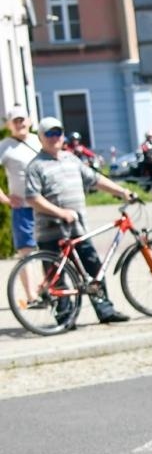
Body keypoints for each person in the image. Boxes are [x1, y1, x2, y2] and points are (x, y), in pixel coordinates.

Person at [24, 115, 139, 325]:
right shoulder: (36, 166)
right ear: (40, 137)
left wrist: (122, 192)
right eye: (49, 133)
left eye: (58, 132)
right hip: (50, 231)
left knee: (94, 268)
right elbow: (33, 198)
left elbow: (95, 179)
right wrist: (61, 213)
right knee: (57, 276)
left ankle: (105, 310)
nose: (54, 137)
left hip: (77, 229)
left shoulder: (71, 159)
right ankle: (65, 318)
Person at [1, 106, 43, 302]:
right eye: (15, 121)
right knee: (26, 252)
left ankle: (48, 289)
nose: (20, 124)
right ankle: (31, 296)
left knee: (50, 249)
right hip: (22, 208)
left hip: (45, 205)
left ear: (30, 121)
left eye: (22, 119)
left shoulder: (39, 140)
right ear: (9, 125)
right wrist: (5, 199)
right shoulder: (5, 146)